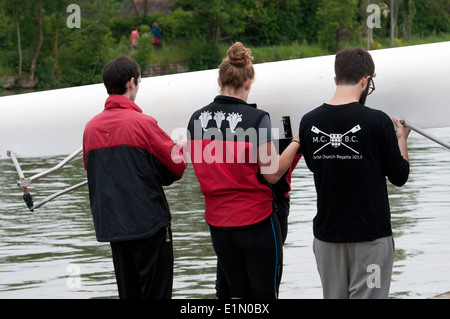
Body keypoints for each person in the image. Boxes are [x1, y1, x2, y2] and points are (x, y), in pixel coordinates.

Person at [187, 42, 300, 299]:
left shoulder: (195, 119)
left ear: (219, 79)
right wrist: (296, 143)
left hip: (219, 226)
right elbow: (271, 174)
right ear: (248, 84)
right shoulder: (256, 118)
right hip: (255, 223)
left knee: (235, 297)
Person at [299, 47, 410, 299]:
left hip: (327, 238)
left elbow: (316, 167)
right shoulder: (377, 121)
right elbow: (399, 175)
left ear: (336, 79)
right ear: (366, 80)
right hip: (370, 238)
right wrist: (401, 139)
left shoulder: (308, 121)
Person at [83, 55, 187, 299]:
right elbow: (176, 167)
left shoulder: (90, 128)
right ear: (131, 83)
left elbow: (93, 171)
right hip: (148, 226)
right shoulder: (143, 123)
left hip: (114, 228)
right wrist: (180, 146)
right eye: (139, 82)